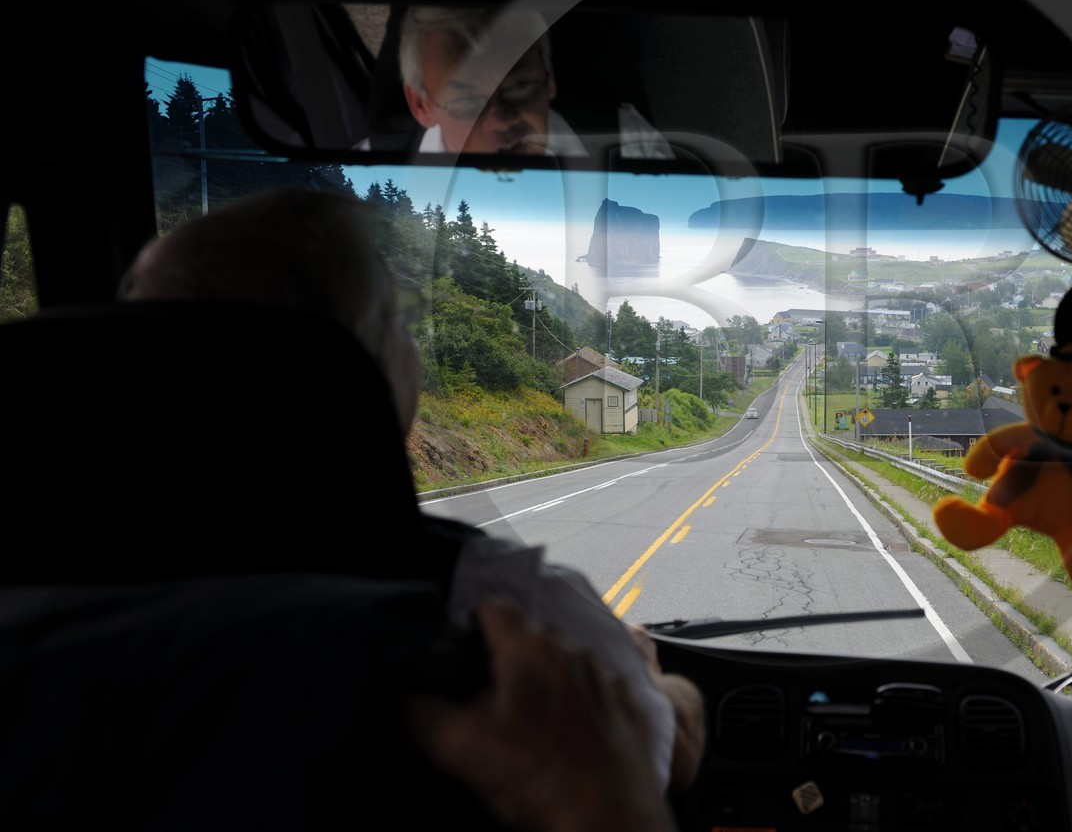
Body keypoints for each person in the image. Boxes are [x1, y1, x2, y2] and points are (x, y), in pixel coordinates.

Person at [119, 186, 703, 814]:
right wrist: (655, 679)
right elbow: (671, 751)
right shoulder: (501, 605)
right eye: (400, 317)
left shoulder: (43, 582)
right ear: (362, 365)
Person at [396, 5, 671, 159]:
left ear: (549, 78)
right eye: (468, 102)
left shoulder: (630, 144)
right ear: (421, 105)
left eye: (519, 87)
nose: (501, 120)